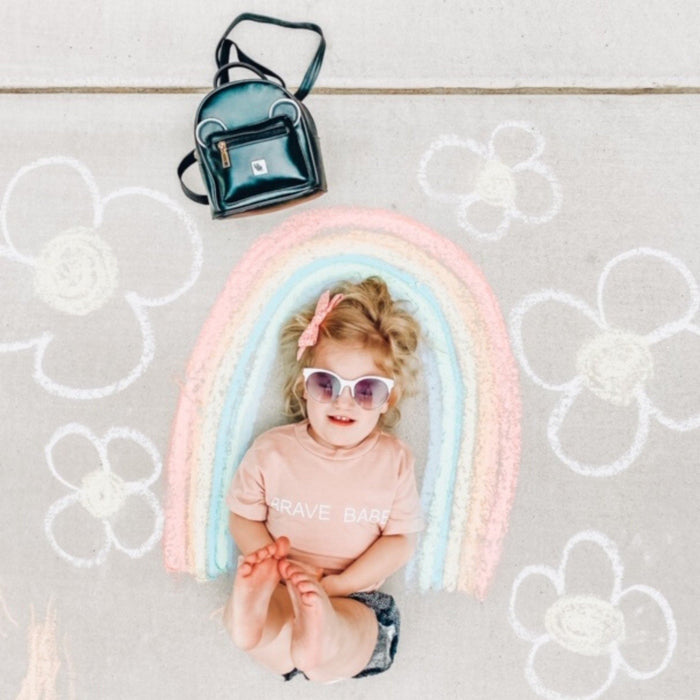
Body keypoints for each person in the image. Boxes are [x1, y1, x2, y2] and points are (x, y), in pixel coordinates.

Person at [223, 276, 424, 683]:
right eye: (325, 384)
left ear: (389, 399)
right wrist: (271, 567)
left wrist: (336, 586)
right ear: (304, 387)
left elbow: (400, 540)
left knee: (354, 631)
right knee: (274, 623)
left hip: (353, 596)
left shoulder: (393, 460)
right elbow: (242, 516)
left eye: (366, 390)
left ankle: (320, 633)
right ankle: (253, 613)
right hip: (282, 585)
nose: (343, 400)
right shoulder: (272, 450)